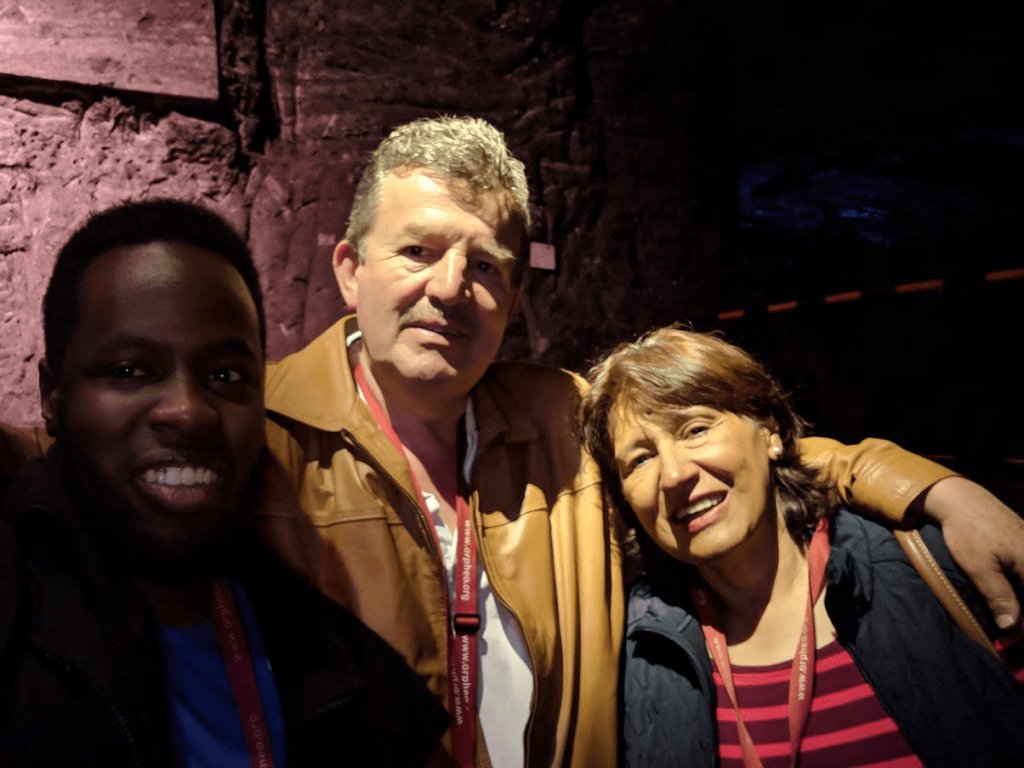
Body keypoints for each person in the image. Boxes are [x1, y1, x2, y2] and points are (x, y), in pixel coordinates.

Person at [3, 117, 1024, 767]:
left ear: (516, 298)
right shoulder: (250, 428)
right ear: (350, 268)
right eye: (418, 252)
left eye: (486, 263)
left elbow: (739, 446)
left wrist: (928, 489)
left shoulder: (563, 419)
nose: (452, 289)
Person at [0, 200, 447, 766]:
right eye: (130, 371)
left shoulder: (326, 650)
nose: (188, 412)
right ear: (52, 395)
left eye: (225, 376)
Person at [578, 326, 1024, 767]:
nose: (673, 474)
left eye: (696, 429)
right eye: (639, 459)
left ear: (769, 432)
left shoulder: (933, 568)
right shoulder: (639, 651)